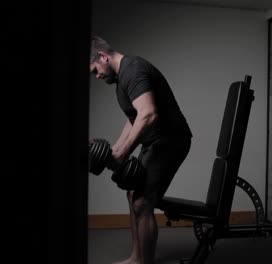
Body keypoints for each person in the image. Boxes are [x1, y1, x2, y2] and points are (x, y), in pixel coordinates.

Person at [90, 36, 192, 264]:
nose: (96, 76)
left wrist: (122, 153)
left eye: (95, 69)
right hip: (155, 141)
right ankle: (137, 257)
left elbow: (148, 114)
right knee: (132, 195)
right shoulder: (122, 79)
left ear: (103, 57)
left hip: (170, 141)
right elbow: (133, 118)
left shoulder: (132, 70)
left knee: (142, 202)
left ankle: (142, 262)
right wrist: (115, 149)